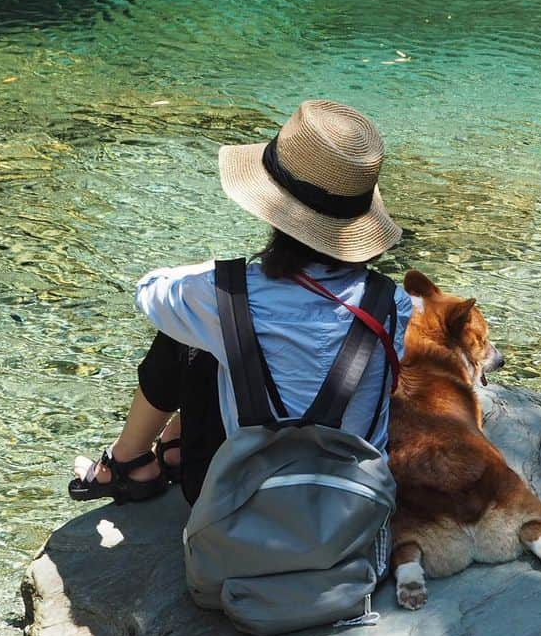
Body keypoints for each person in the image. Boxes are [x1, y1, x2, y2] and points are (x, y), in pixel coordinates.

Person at [69, 98, 414, 505]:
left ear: (272, 210)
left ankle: (128, 462)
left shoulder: (224, 296)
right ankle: (164, 447)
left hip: (241, 510)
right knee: (225, 334)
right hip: (352, 510)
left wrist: (225, 276)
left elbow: (148, 291)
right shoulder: (393, 304)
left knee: (195, 334)